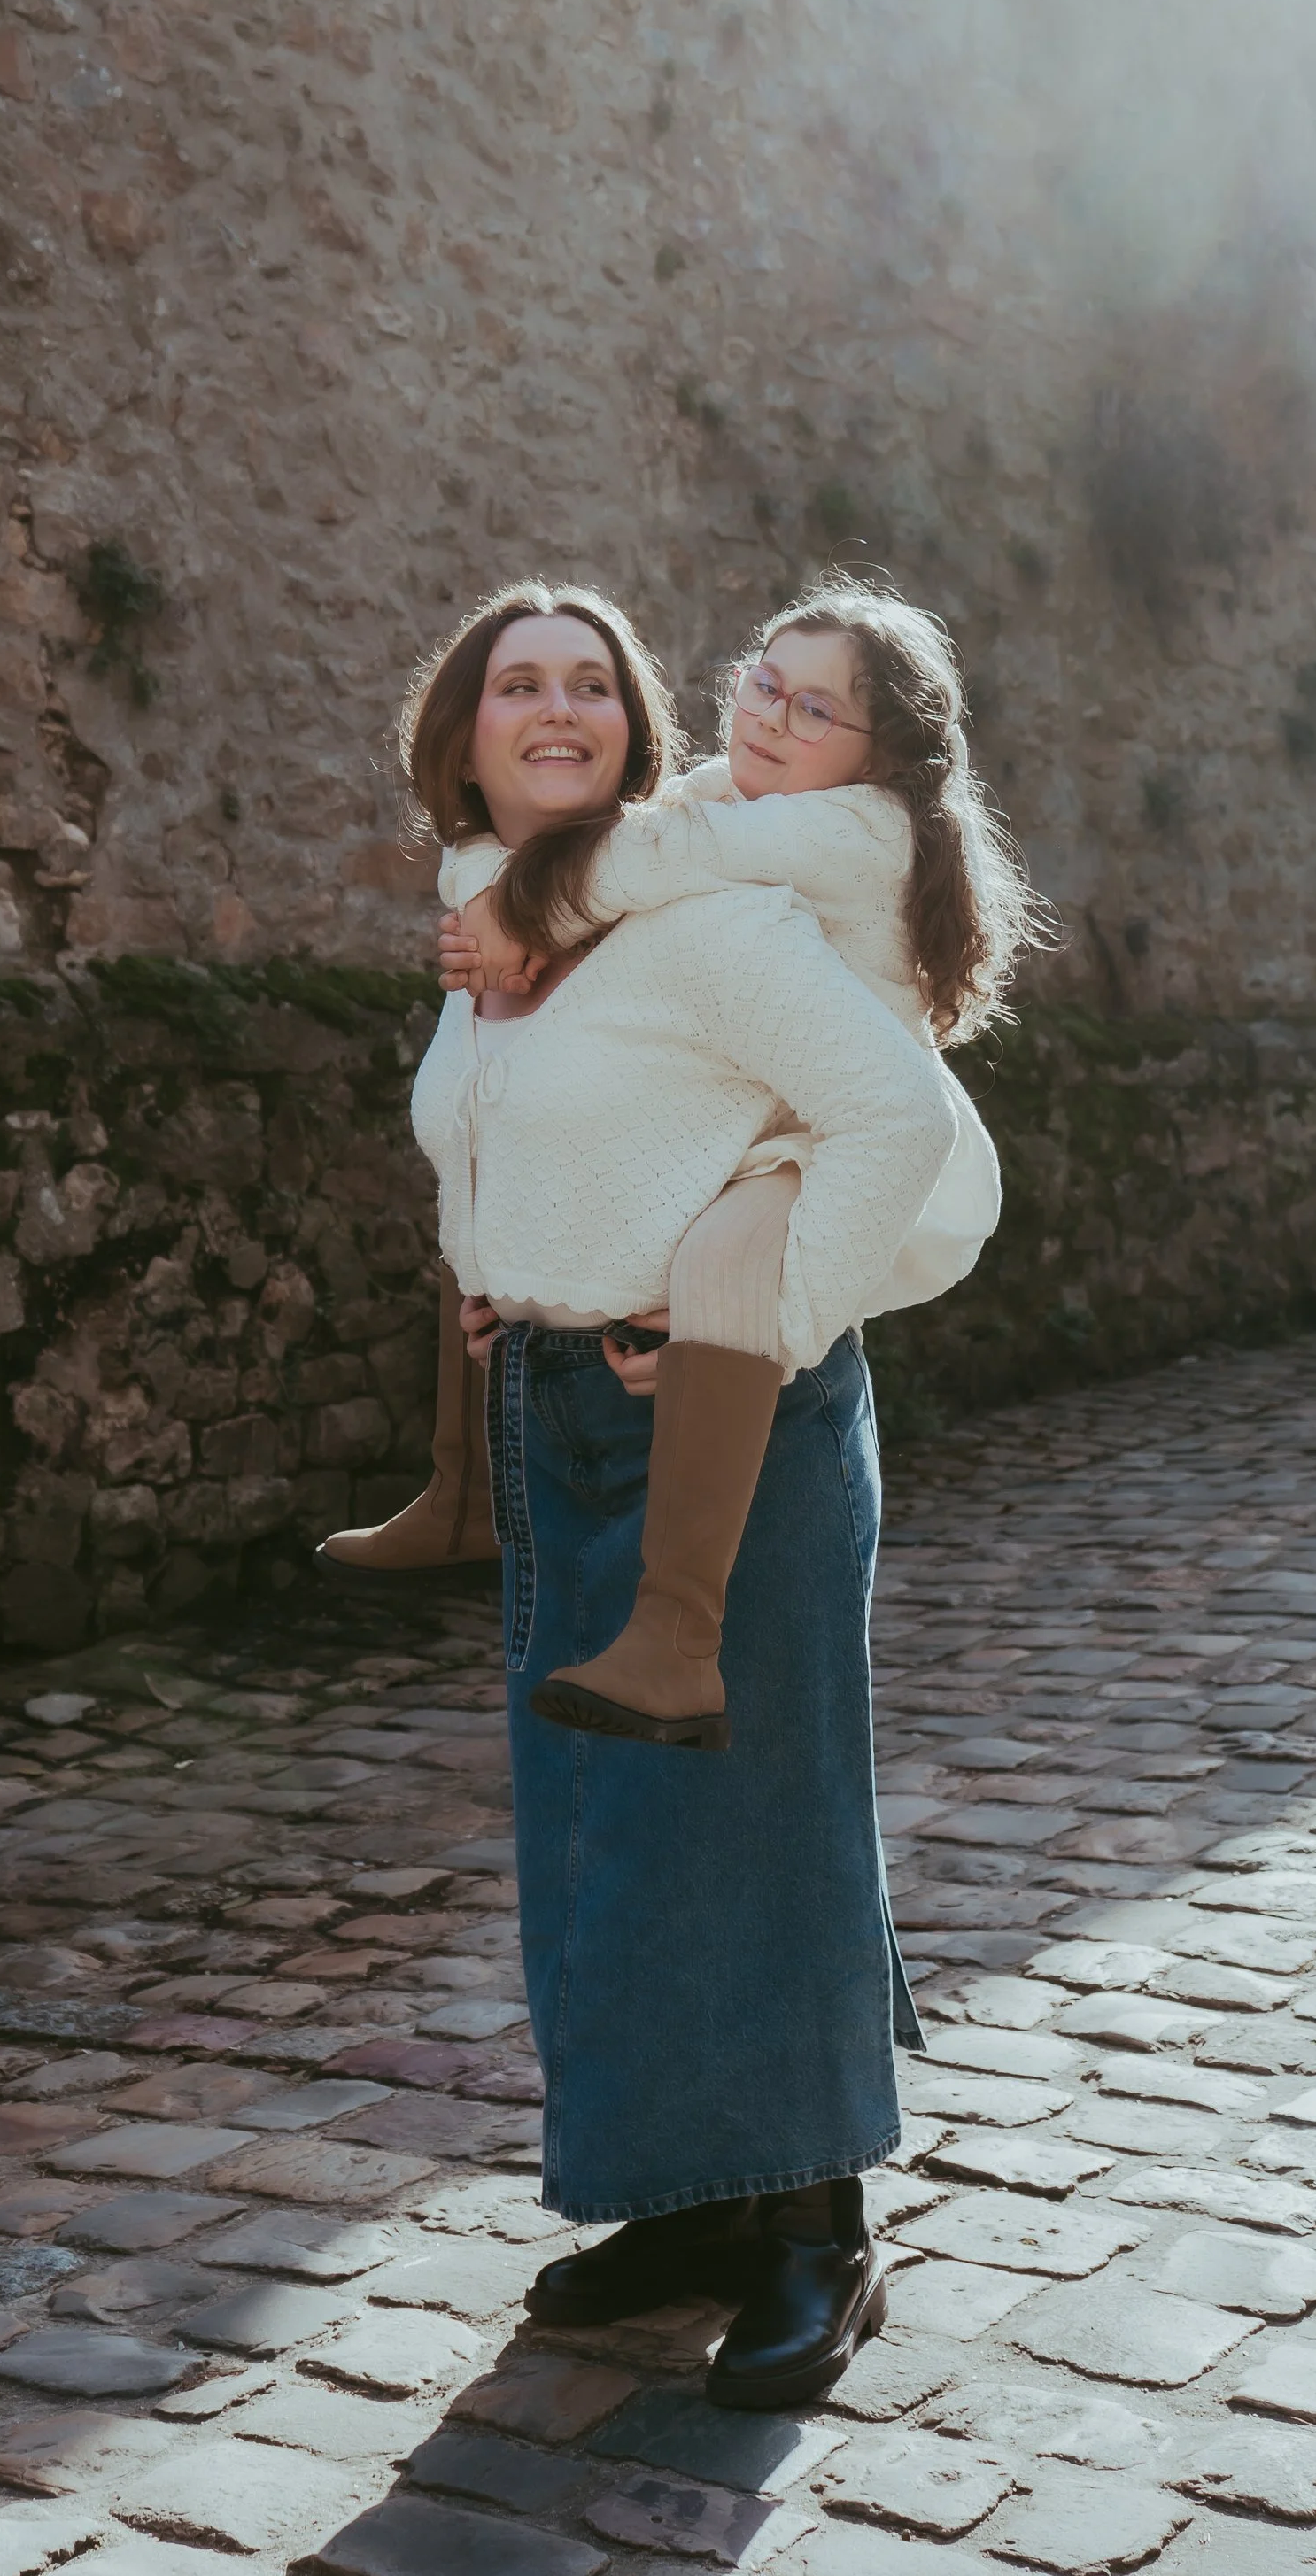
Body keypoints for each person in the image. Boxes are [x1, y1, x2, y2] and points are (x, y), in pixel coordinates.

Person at [385, 579, 958, 2404]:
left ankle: (812, 2229)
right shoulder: (501, 929)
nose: (555, 709)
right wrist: (505, 1263)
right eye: (513, 685)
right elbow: (548, 1128)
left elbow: (893, 1121)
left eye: (587, 685)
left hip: (732, 1406)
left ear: (632, 730)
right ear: (458, 734)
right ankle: (691, 2194)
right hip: (557, 1404)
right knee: (603, 1827)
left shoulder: (713, 910)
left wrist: (773, 1310)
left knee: (755, 1799)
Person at [432, 579, 1040, 1747]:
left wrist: (527, 903)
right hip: (775, 1135)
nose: (768, 715)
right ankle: (460, 1487)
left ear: (882, 759)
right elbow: (660, 843)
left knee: (728, 1263)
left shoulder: (855, 826)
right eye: (764, 680)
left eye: (815, 709)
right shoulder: (739, 795)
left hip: (827, 1153)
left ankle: (680, 1636)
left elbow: (647, 858)